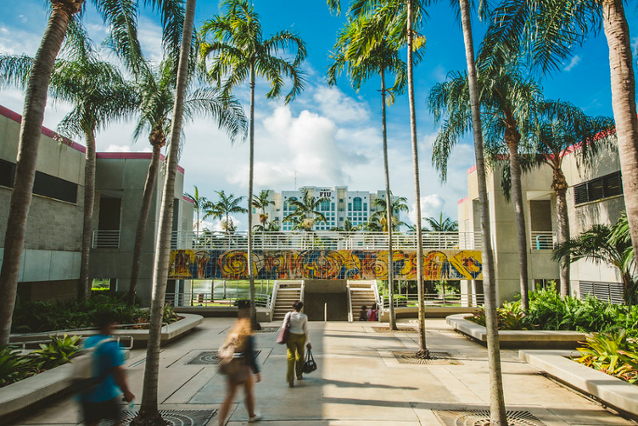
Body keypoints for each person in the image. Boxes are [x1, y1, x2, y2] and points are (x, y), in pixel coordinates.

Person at [79, 313, 134, 426]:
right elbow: (118, 373)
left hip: (87, 393)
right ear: (108, 325)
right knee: (118, 422)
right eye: (113, 324)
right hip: (105, 395)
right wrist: (126, 392)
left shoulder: (89, 341)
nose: (115, 326)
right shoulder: (112, 346)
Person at [218, 301, 261, 425]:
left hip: (231, 367)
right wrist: (257, 372)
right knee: (248, 393)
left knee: (230, 395)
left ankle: (221, 421)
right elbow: (251, 356)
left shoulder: (233, 335)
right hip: (243, 367)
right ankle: (251, 415)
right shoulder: (248, 336)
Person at [283, 300, 310, 387]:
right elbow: (306, 329)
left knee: (291, 357)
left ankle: (290, 379)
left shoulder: (289, 315)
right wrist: (308, 342)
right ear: (301, 308)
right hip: (301, 336)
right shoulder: (304, 316)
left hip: (291, 336)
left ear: (293, 307)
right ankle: (299, 374)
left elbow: (284, 326)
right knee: (300, 355)